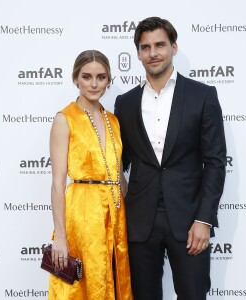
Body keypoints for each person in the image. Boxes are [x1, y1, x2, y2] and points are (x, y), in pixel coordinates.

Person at [114, 17, 226, 300]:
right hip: (139, 223)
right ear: (138, 53)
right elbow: (117, 164)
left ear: (174, 47)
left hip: (189, 221)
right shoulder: (125, 103)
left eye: (160, 45)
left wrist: (204, 219)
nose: (153, 53)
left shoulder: (202, 95)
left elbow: (214, 161)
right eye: (145, 47)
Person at [48, 50, 133, 300]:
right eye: (87, 76)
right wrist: (60, 236)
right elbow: (57, 184)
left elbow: (118, 174)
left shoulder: (114, 121)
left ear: (109, 80)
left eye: (101, 77)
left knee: (115, 280)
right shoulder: (65, 119)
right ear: (76, 78)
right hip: (83, 215)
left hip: (115, 214)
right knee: (83, 285)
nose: (94, 84)